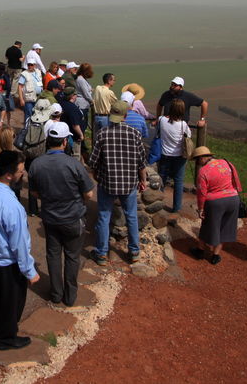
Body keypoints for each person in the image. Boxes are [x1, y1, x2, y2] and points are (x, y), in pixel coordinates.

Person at [0, 150, 39, 350]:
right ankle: (5, 337)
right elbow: (18, 243)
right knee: (13, 300)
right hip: (7, 259)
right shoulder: (12, 205)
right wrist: (29, 270)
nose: (23, 173)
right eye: (20, 170)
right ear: (9, 175)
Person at [28, 122, 93, 307]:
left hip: (50, 217)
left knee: (53, 255)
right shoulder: (74, 164)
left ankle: (56, 294)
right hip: (73, 217)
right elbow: (88, 193)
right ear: (65, 141)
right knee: (73, 256)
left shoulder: (36, 164)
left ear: (49, 140)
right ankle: (70, 296)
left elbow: (34, 193)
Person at [88, 101, 148, 266]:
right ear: (125, 116)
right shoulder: (134, 134)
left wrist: (97, 176)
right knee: (131, 217)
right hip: (129, 183)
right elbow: (141, 162)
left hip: (107, 183)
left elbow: (93, 162)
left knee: (103, 217)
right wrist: (143, 180)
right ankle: (134, 252)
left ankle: (101, 254)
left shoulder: (102, 134)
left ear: (110, 115)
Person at [189, 147, 242, 265]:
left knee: (207, 225)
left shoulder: (203, 172)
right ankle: (216, 255)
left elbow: (201, 193)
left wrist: (201, 208)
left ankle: (200, 250)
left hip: (215, 202)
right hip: (233, 198)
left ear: (202, 158)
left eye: (197, 160)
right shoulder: (226, 163)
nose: (198, 163)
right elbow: (236, 180)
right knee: (225, 227)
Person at [157, 99, 192, 213]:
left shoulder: (161, 120)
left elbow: (158, 129)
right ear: (182, 111)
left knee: (162, 180)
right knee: (178, 182)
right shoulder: (183, 125)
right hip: (179, 157)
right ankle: (176, 209)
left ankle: (158, 205)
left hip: (164, 155)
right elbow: (189, 136)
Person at [59, 87, 85, 160]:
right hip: (74, 137)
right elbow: (75, 125)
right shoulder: (72, 108)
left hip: (64, 136)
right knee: (75, 156)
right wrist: (81, 135)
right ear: (72, 96)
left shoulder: (61, 103)